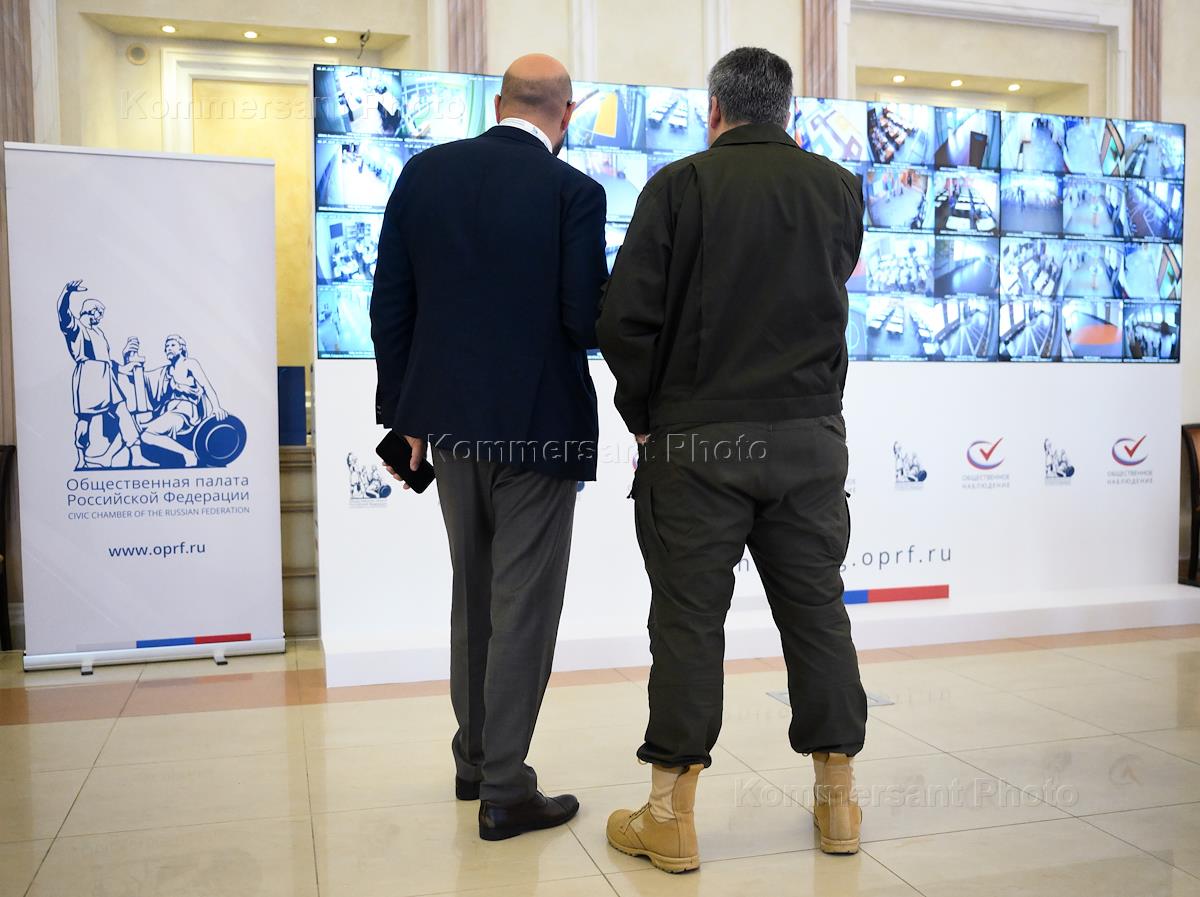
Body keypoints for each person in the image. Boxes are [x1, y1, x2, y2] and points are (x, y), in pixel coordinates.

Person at [597, 47, 868, 873]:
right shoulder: (838, 188)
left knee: (687, 621)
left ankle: (669, 818)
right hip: (809, 438)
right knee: (817, 613)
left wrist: (645, 420)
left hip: (698, 442)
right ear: (789, 112)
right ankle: (839, 805)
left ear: (713, 110)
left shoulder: (678, 185)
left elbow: (625, 320)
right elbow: (832, 292)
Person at [369, 53, 608, 841]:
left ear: (498, 104)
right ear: (565, 115)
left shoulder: (424, 174)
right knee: (523, 606)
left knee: (472, 593)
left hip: (450, 428)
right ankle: (506, 787)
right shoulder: (575, 192)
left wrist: (404, 414)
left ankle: (473, 760)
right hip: (539, 429)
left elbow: (390, 303)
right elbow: (583, 319)